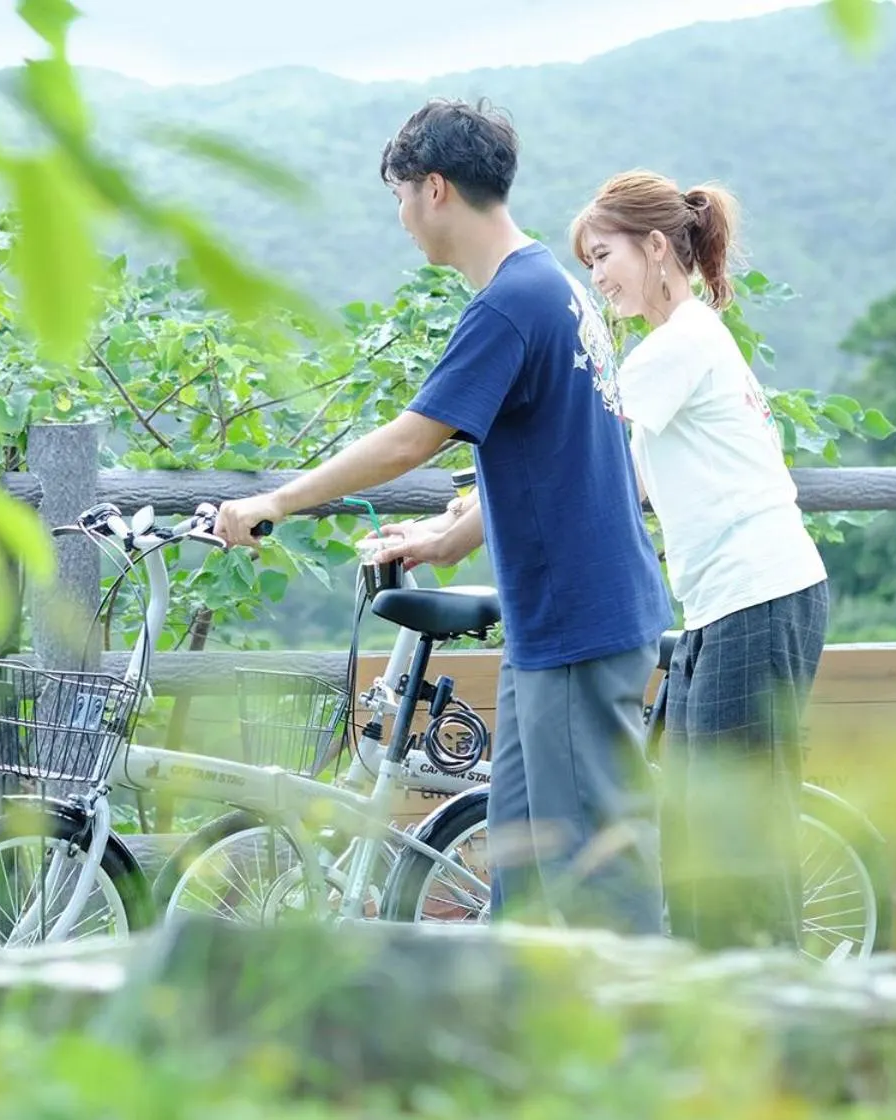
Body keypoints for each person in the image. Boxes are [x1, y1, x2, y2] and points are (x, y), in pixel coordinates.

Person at [215, 99, 673, 933]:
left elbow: (411, 440)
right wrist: (445, 536)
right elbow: (548, 461)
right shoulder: (555, 289)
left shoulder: (509, 304)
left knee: (605, 870)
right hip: (567, 624)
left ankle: (663, 1045)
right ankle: (515, 1040)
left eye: (397, 196)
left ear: (433, 190)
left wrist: (274, 500)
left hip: (578, 625)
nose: (399, 218)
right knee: (526, 870)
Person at [568, 169, 830, 951]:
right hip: (737, 603)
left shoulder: (673, 349)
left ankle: (774, 1030)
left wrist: (460, 526)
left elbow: (588, 462)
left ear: (655, 248)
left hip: (758, 597)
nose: (597, 277)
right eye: (587, 264)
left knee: (729, 838)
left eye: (604, 254)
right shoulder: (689, 342)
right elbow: (634, 480)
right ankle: (751, 1023)